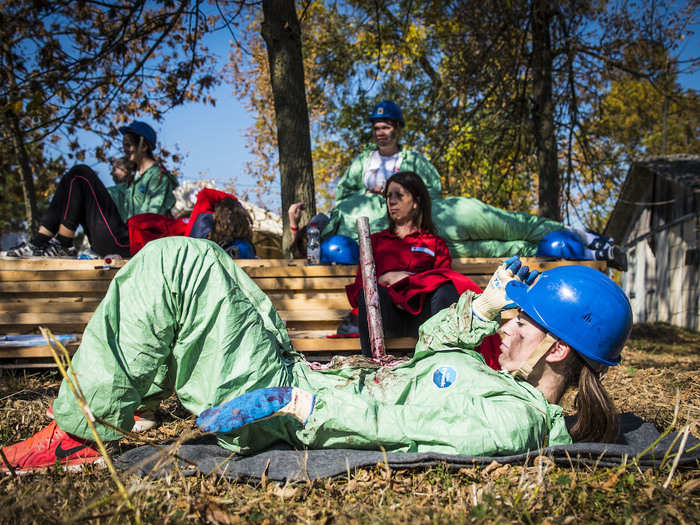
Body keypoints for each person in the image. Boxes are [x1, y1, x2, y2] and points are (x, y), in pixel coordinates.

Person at [0, 236, 632, 473]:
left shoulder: (512, 418)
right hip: (302, 378)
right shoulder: (499, 382)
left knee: (180, 263)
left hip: (289, 402)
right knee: (216, 267)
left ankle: (82, 430)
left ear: (555, 346)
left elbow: (401, 427)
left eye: (521, 322)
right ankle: (120, 401)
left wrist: (295, 402)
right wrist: (484, 308)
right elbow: (437, 350)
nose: (509, 329)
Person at [4, 120, 178, 258]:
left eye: (128, 145)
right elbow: (102, 199)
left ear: (144, 145)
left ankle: (62, 243)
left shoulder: (159, 177)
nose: (125, 150)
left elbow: (153, 219)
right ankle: (39, 242)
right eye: (124, 145)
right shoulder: (132, 182)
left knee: (81, 173)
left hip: (133, 241)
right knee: (72, 179)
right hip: (119, 238)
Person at [346, 171, 462, 356]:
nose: (391, 201)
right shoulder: (374, 241)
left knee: (447, 290)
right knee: (370, 292)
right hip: (387, 317)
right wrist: (382, 280)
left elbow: (443, 280)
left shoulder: (434, 242)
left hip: (423, 317)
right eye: (388, 196)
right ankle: (371, 366)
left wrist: (409, 279)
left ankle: (443, 361)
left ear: (415, 202)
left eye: (399, 195)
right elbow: (360, 287)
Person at [322, 100, 443, 241]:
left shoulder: (414, 161)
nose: (380, 133)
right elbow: (342, 196)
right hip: (362, 228)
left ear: (398, 129)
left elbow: (433, 194)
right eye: (376, 128)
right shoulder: (363, 161)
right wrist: (366, 194)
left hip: (401, 228)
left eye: (385, 128)